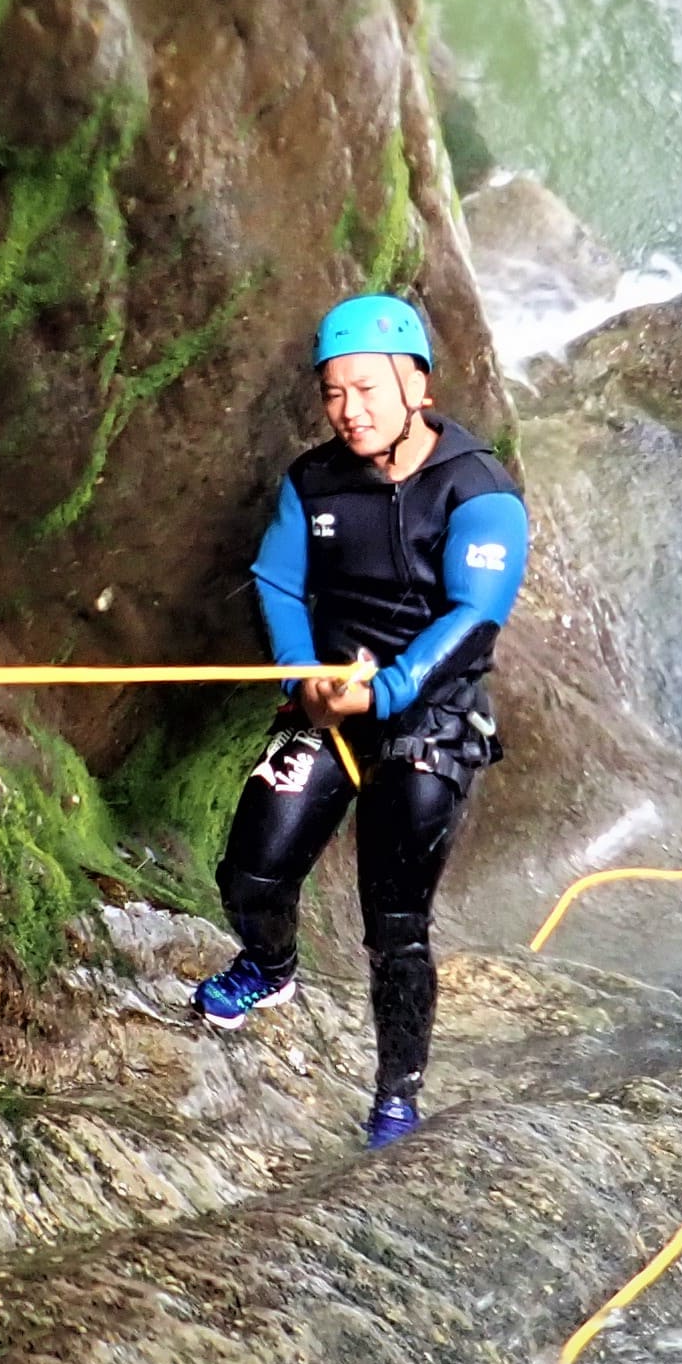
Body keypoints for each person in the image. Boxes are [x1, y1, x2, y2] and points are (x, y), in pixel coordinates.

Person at [192, 293, 530, 1149]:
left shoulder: (479, 491)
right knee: (251, 874)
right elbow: (277, 580)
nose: (350, 410)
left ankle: (396, 1096)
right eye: (334, 392)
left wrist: (387, 690)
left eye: (369, 389)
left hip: (430, 721)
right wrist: (303, 673)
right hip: (332, 708)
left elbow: (475, 614)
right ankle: (270, 967)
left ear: (417, 385)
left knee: (395, 923)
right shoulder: (314, 481)